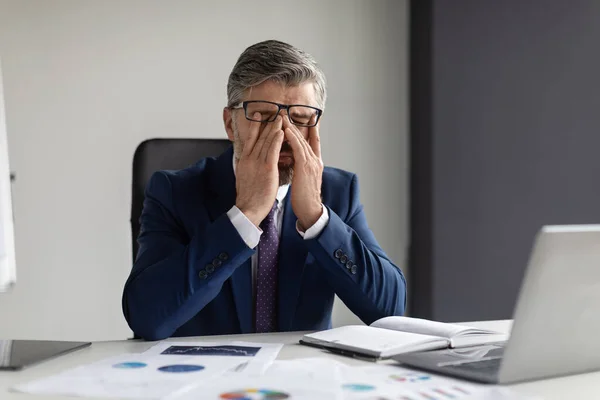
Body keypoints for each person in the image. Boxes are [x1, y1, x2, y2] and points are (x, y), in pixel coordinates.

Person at [122, 40, 407, 341]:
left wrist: (316, 218)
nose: (284, 133)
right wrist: (244, 217)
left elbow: (389, 311)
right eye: (262, 116)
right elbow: (146, 319)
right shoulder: (174, 192)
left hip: (303, 379)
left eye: (300, 118)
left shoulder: (338, 191)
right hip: (207, 376)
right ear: (230, 125)